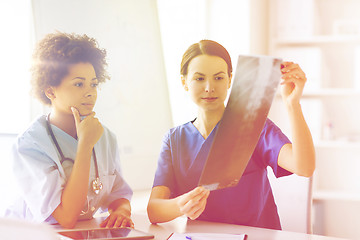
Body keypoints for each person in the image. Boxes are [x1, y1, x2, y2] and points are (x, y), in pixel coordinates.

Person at [147, 40, 316, 230]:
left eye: (218, 78)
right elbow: (154, 210)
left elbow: (304, 167)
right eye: (199, 78)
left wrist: (292, 104)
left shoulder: (254, 127)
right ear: (184, 82)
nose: (209, 87)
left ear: (229, 80)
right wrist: (181, 205)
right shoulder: (174, 140)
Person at [5, 32, 133, 229]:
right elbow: (66, 218)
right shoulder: (30, 145)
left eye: (94, 84)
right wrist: (84, 146)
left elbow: (119, 195)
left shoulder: (105, 136)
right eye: (79, 84)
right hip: (31, 233)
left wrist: (121, 211)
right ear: (50, 91)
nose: (90, 92)